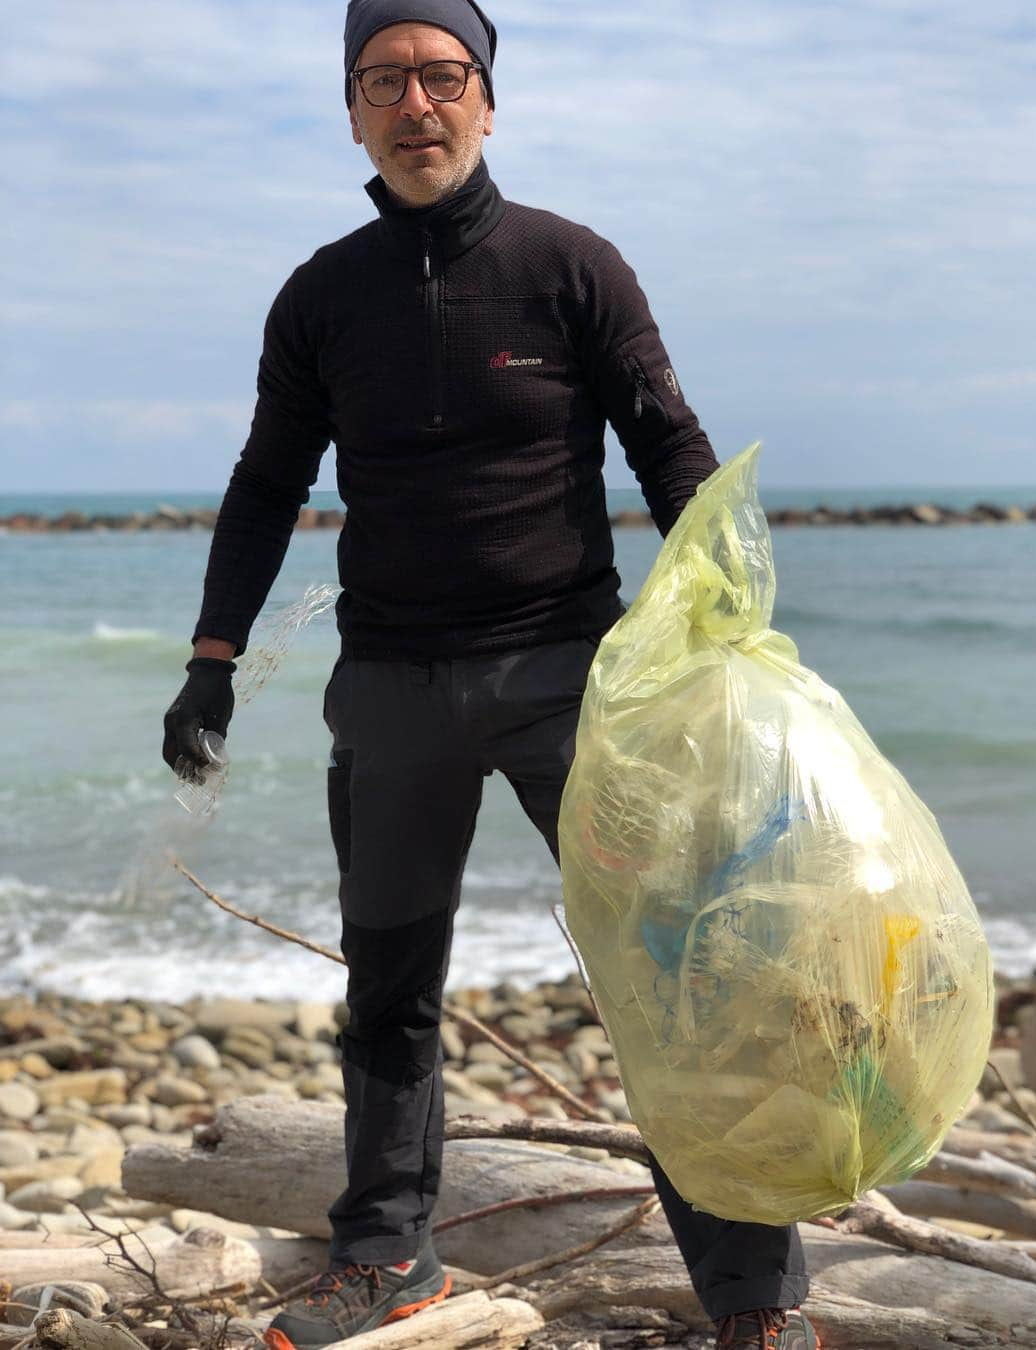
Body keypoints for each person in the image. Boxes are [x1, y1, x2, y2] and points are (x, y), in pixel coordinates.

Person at [162, 3, 819, 1347]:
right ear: (352, 109)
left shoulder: (571, 267)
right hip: (395, 687)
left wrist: (728, 626)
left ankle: (755, 1299)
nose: (419, 103)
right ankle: (387, 1258)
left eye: (443, 76)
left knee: (662, 973)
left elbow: (673, 451)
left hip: (568, 679)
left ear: (487, 99)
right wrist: (210, 663)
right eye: (387, 80)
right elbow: (264, 485)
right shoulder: (323, 297)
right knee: (388, 985)